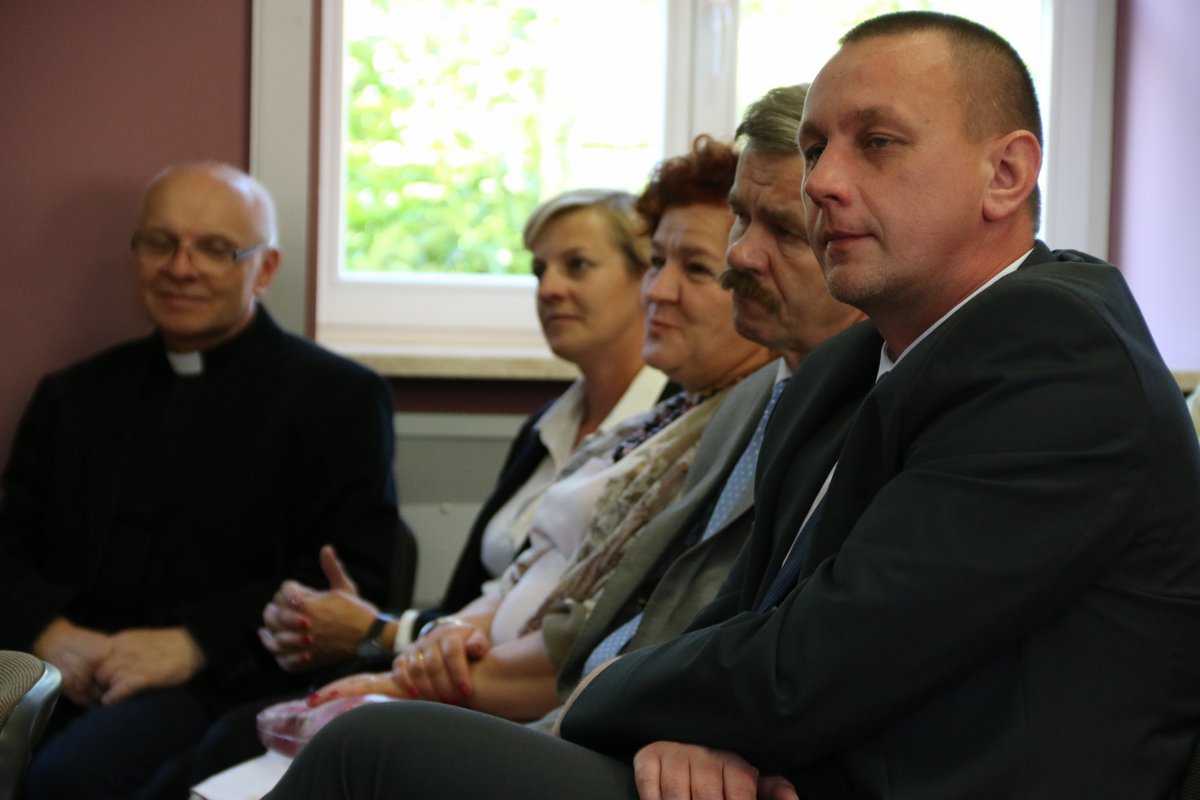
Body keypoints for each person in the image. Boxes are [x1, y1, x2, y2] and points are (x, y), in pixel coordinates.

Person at [264, 11, 1200, 800]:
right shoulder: (852, 362)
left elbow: (811, 668)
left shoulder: (1053, 351)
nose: (823, 181)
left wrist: (615, 695)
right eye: (817, 148)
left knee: (373, 755)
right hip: (784, 770)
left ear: (1006, 174)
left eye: (877, 142)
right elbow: (742, 616)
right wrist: (689, 730)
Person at [294, 135, 775, 724]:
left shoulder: (737, 430)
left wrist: (398, 663)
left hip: (538, 709)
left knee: (331, 736)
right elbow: (510, 582)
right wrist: (444, 636)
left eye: (695, 269)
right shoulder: (628, 423)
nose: (658, 290)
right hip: (478, 674)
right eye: (656, 264)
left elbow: (594, 640)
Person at [0, 162, 399, 800]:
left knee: (70, 778)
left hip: (221, 680)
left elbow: (355, 574)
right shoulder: (73, 396)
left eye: (215, 249)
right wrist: (51, 632)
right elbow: (8, 544)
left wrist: (195, 643)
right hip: (60, 662)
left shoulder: (338, 399)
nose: (180, 268)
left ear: (264, 269)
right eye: (160, 243)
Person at [542, 82, 866, 711]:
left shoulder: (872, 417)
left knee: (374, 742)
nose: (738, 253)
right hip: (602, 706)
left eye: (785, 230)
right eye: (742, 216)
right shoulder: (750, 399)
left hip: (668, 729)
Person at [256, 189, 668, 677]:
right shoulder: (545, 426)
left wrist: (376, 632)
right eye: (539, 271)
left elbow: (577, 631)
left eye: (577, 266)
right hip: (457, 665)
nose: (549, 288)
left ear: (648, 277)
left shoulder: (671, 426)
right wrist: (363, 627)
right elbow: (472, 602)